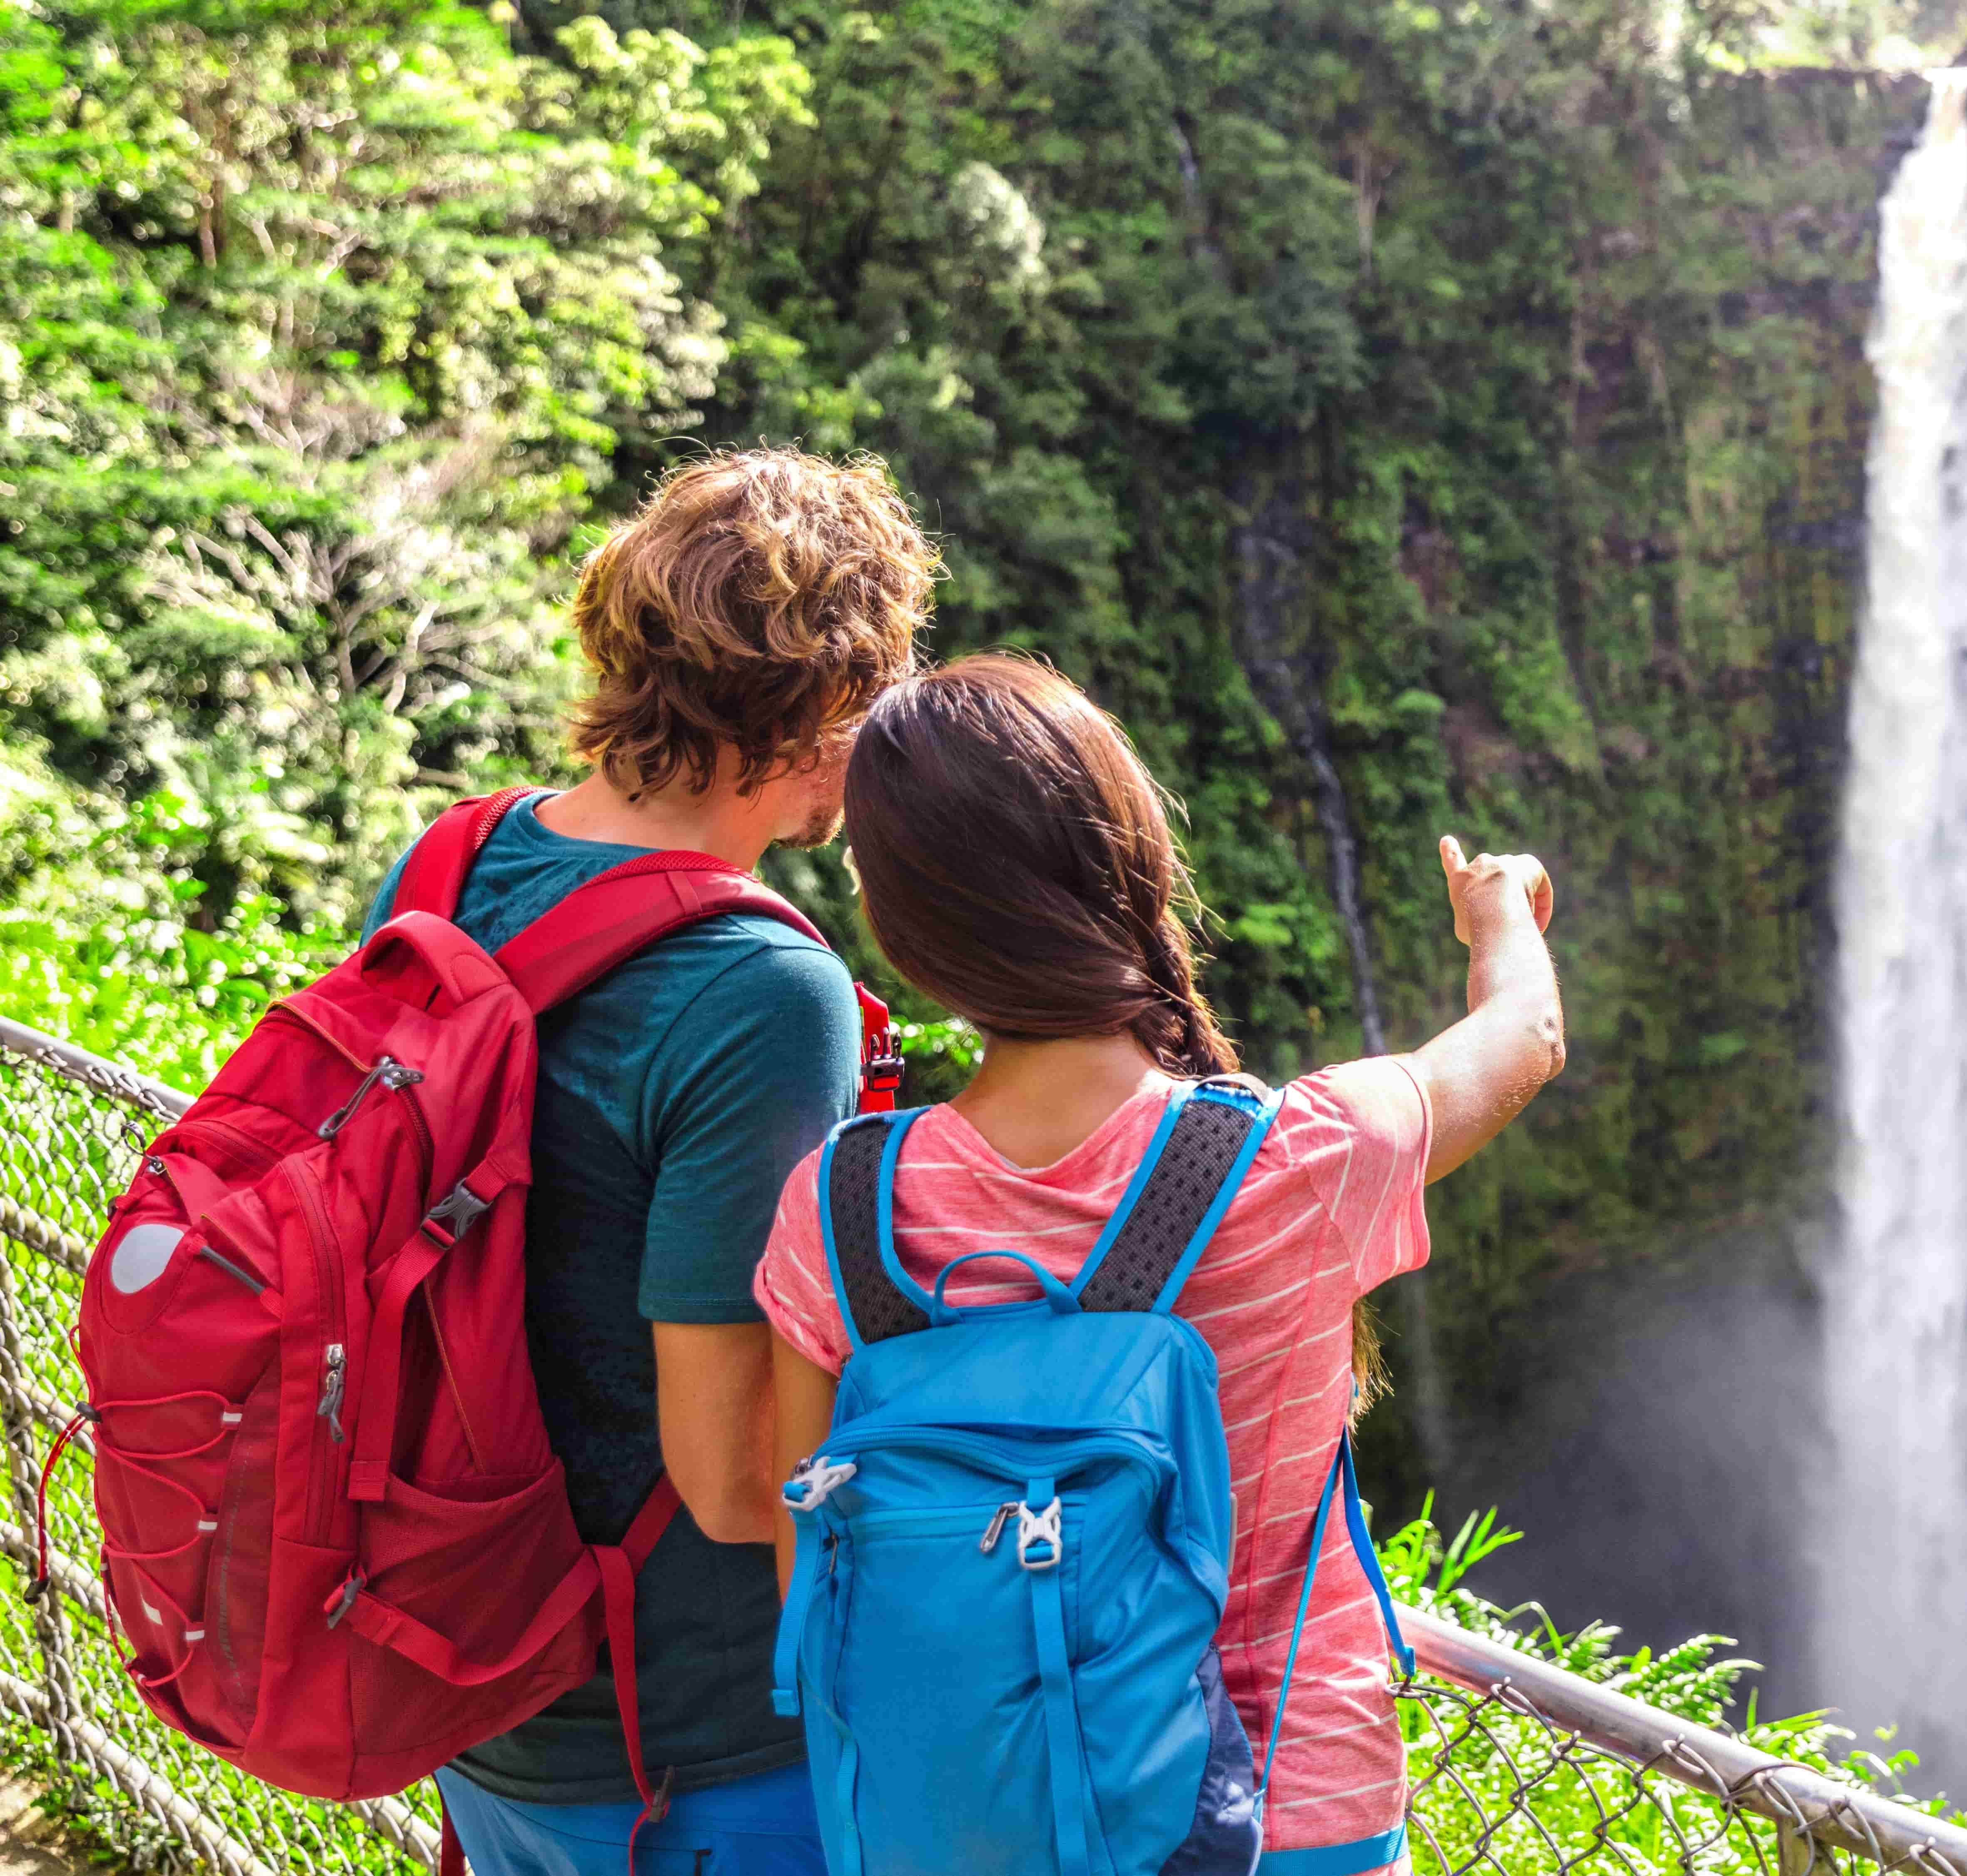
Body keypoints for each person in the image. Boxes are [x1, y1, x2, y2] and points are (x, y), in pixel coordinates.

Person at [752, 653, 1565, 1874]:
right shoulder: (1299, 1155)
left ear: (901, 923)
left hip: (965, 1831)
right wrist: (1500, 910)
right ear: (1129, 860)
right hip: (1289, 1823)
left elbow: (809, 1560)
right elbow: (1524, 1036)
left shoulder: (838, 1210)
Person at [359, 449, 934, 1876]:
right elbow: (735, 1475)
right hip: (684, 1745)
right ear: (821, 710)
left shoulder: (455, 859)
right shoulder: (760, 990)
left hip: (469, 1665)